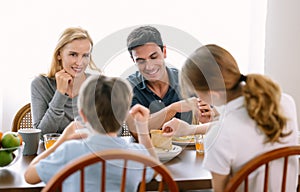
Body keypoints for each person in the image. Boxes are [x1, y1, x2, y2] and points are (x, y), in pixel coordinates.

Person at [162, 44, 298, 191]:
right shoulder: (285, 102)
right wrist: (190, 129)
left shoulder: (220, 136)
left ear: (213, 95)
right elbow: (243, 131)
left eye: (197, 93)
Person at [25, 75, 157, 191]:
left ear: (82, 114)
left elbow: (29, 176)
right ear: (123, 117)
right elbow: (155, 169)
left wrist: (62, 140)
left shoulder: (70, 151)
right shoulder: (137, 155)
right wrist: (142, 130)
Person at [126, 25, 214, 138]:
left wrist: (207, 118)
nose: (149, 66)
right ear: (133, 60)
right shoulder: (128, 87)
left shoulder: (187, 80)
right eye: (141, 61)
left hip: (186, 152)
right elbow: (137, 131)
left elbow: (217, 120)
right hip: (146, 153)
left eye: (153, 57)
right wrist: (173, 108)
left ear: (164, 52)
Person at [31, 27, 100, 135]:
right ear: (59, 54)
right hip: (55, 150)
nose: (79, 62)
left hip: (90, 150)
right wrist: (60, 94)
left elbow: (117, 131)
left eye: (85, 55)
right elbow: (41, 135)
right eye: (73, 54)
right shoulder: (41, 84)